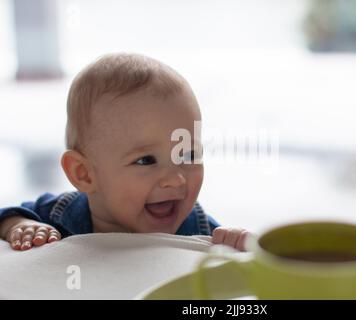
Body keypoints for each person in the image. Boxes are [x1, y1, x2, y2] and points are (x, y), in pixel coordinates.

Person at [0, 53, 249, 252]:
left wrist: (238, 243)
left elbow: (232, 266)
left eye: (188, 156)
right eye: (146, 160)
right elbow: (7, 216)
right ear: (84, 174)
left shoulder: (198, 226)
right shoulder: (59, 213)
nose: (176, 179)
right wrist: (20, 225)